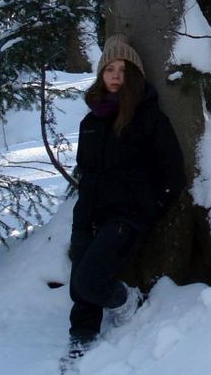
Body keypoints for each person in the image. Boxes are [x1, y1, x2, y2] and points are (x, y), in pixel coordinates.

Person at [65, 34, 185, 359]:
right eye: (109, 69)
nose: (116, 76)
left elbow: (173, 174)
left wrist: (149, 209)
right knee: (79, 280)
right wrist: (79, 226)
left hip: (127, 217)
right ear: (101, 75)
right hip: (92, 214)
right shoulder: (90, 124)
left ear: (134, 76)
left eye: (123, 69)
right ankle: (82, 336)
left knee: (90, 280)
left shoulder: (148, 118)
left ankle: (128, 301)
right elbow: (86, 179)